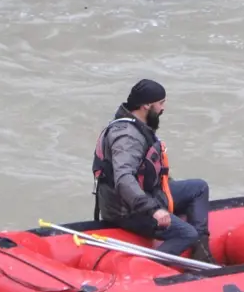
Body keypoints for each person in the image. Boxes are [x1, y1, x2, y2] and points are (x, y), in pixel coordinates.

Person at [91, 79, 216, 264]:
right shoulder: (127, 137)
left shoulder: (137, 125)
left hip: (146, 194)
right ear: (146, 105)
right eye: (161, 103)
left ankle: (202, 251)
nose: (163, 108)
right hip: (126, 209)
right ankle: (147, 268)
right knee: (186, 234)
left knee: (198, 187)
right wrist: (154, 209)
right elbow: (124, 179)